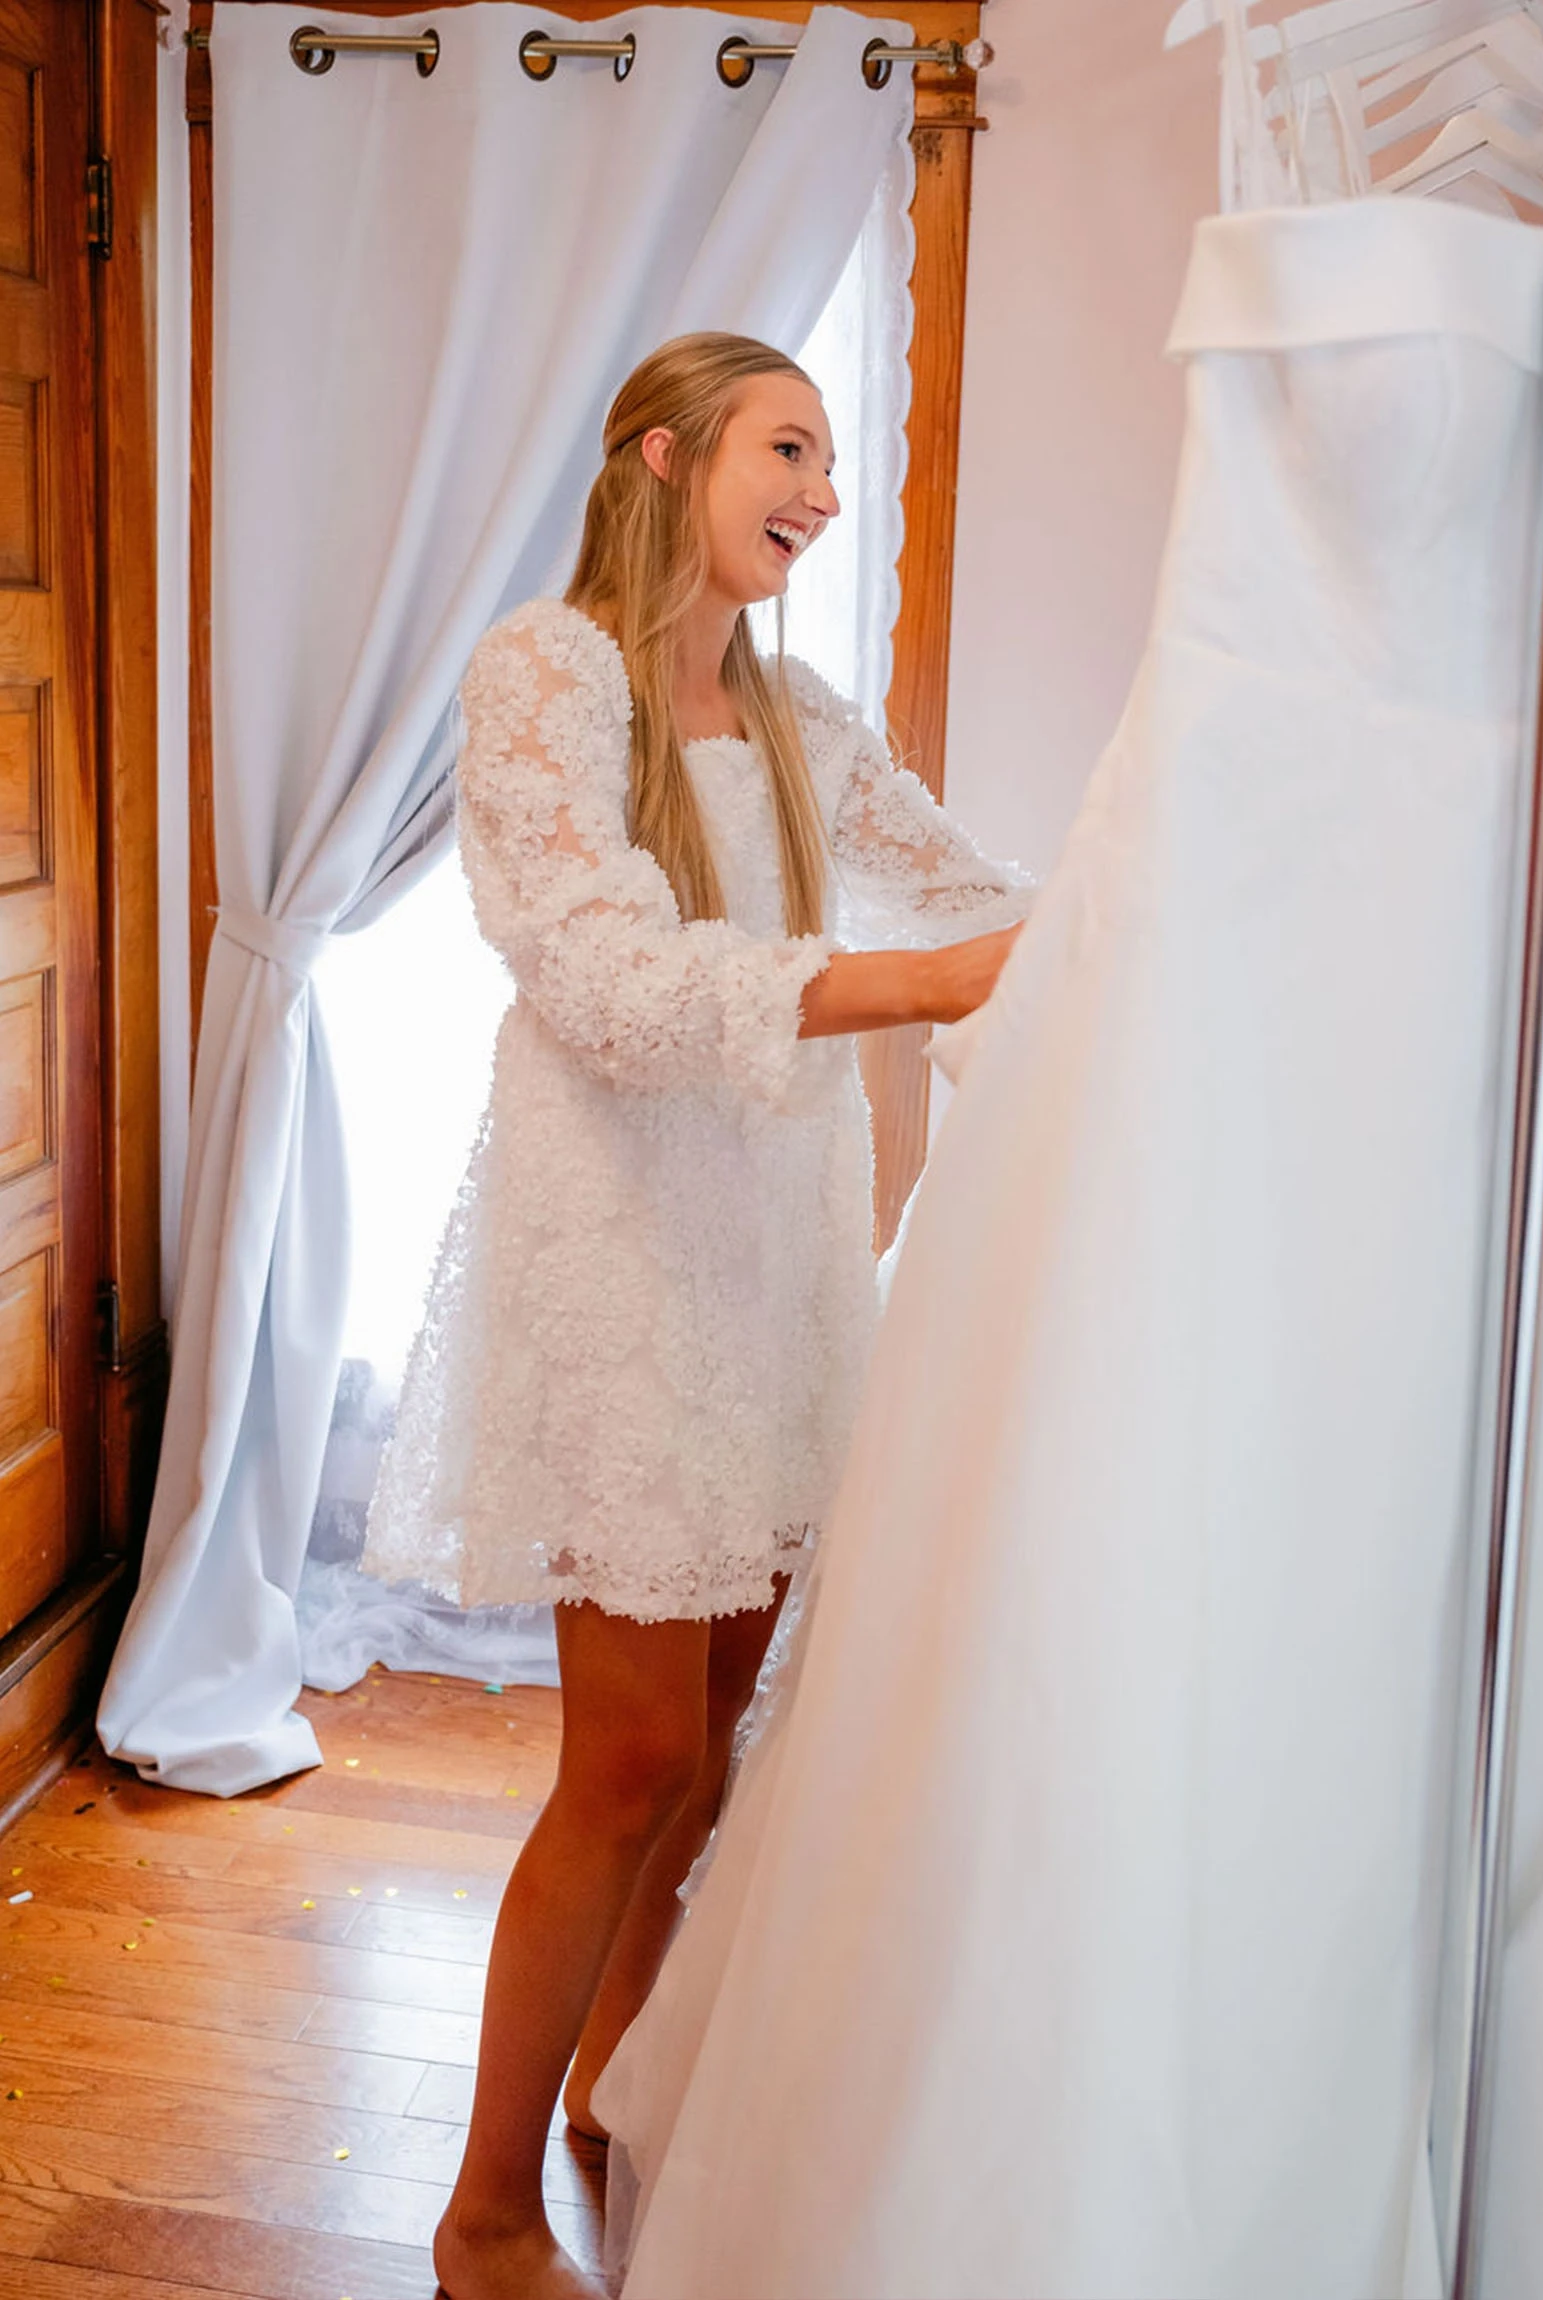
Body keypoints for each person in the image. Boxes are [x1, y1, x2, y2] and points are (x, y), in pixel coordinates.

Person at [357, 331, 1031, 2300]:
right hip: (627, 1265)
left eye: (827, 458)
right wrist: (918, 993)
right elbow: (604, 983)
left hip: (779, 1259)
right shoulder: (546, 675)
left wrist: (1138, 899)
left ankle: (620, 2075)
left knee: (722, 1724)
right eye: (785, 447)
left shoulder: (795, 711)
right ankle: (482, 2213)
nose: (820, 489)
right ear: (660, 456)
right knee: (632, 1755)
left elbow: (971, 890)